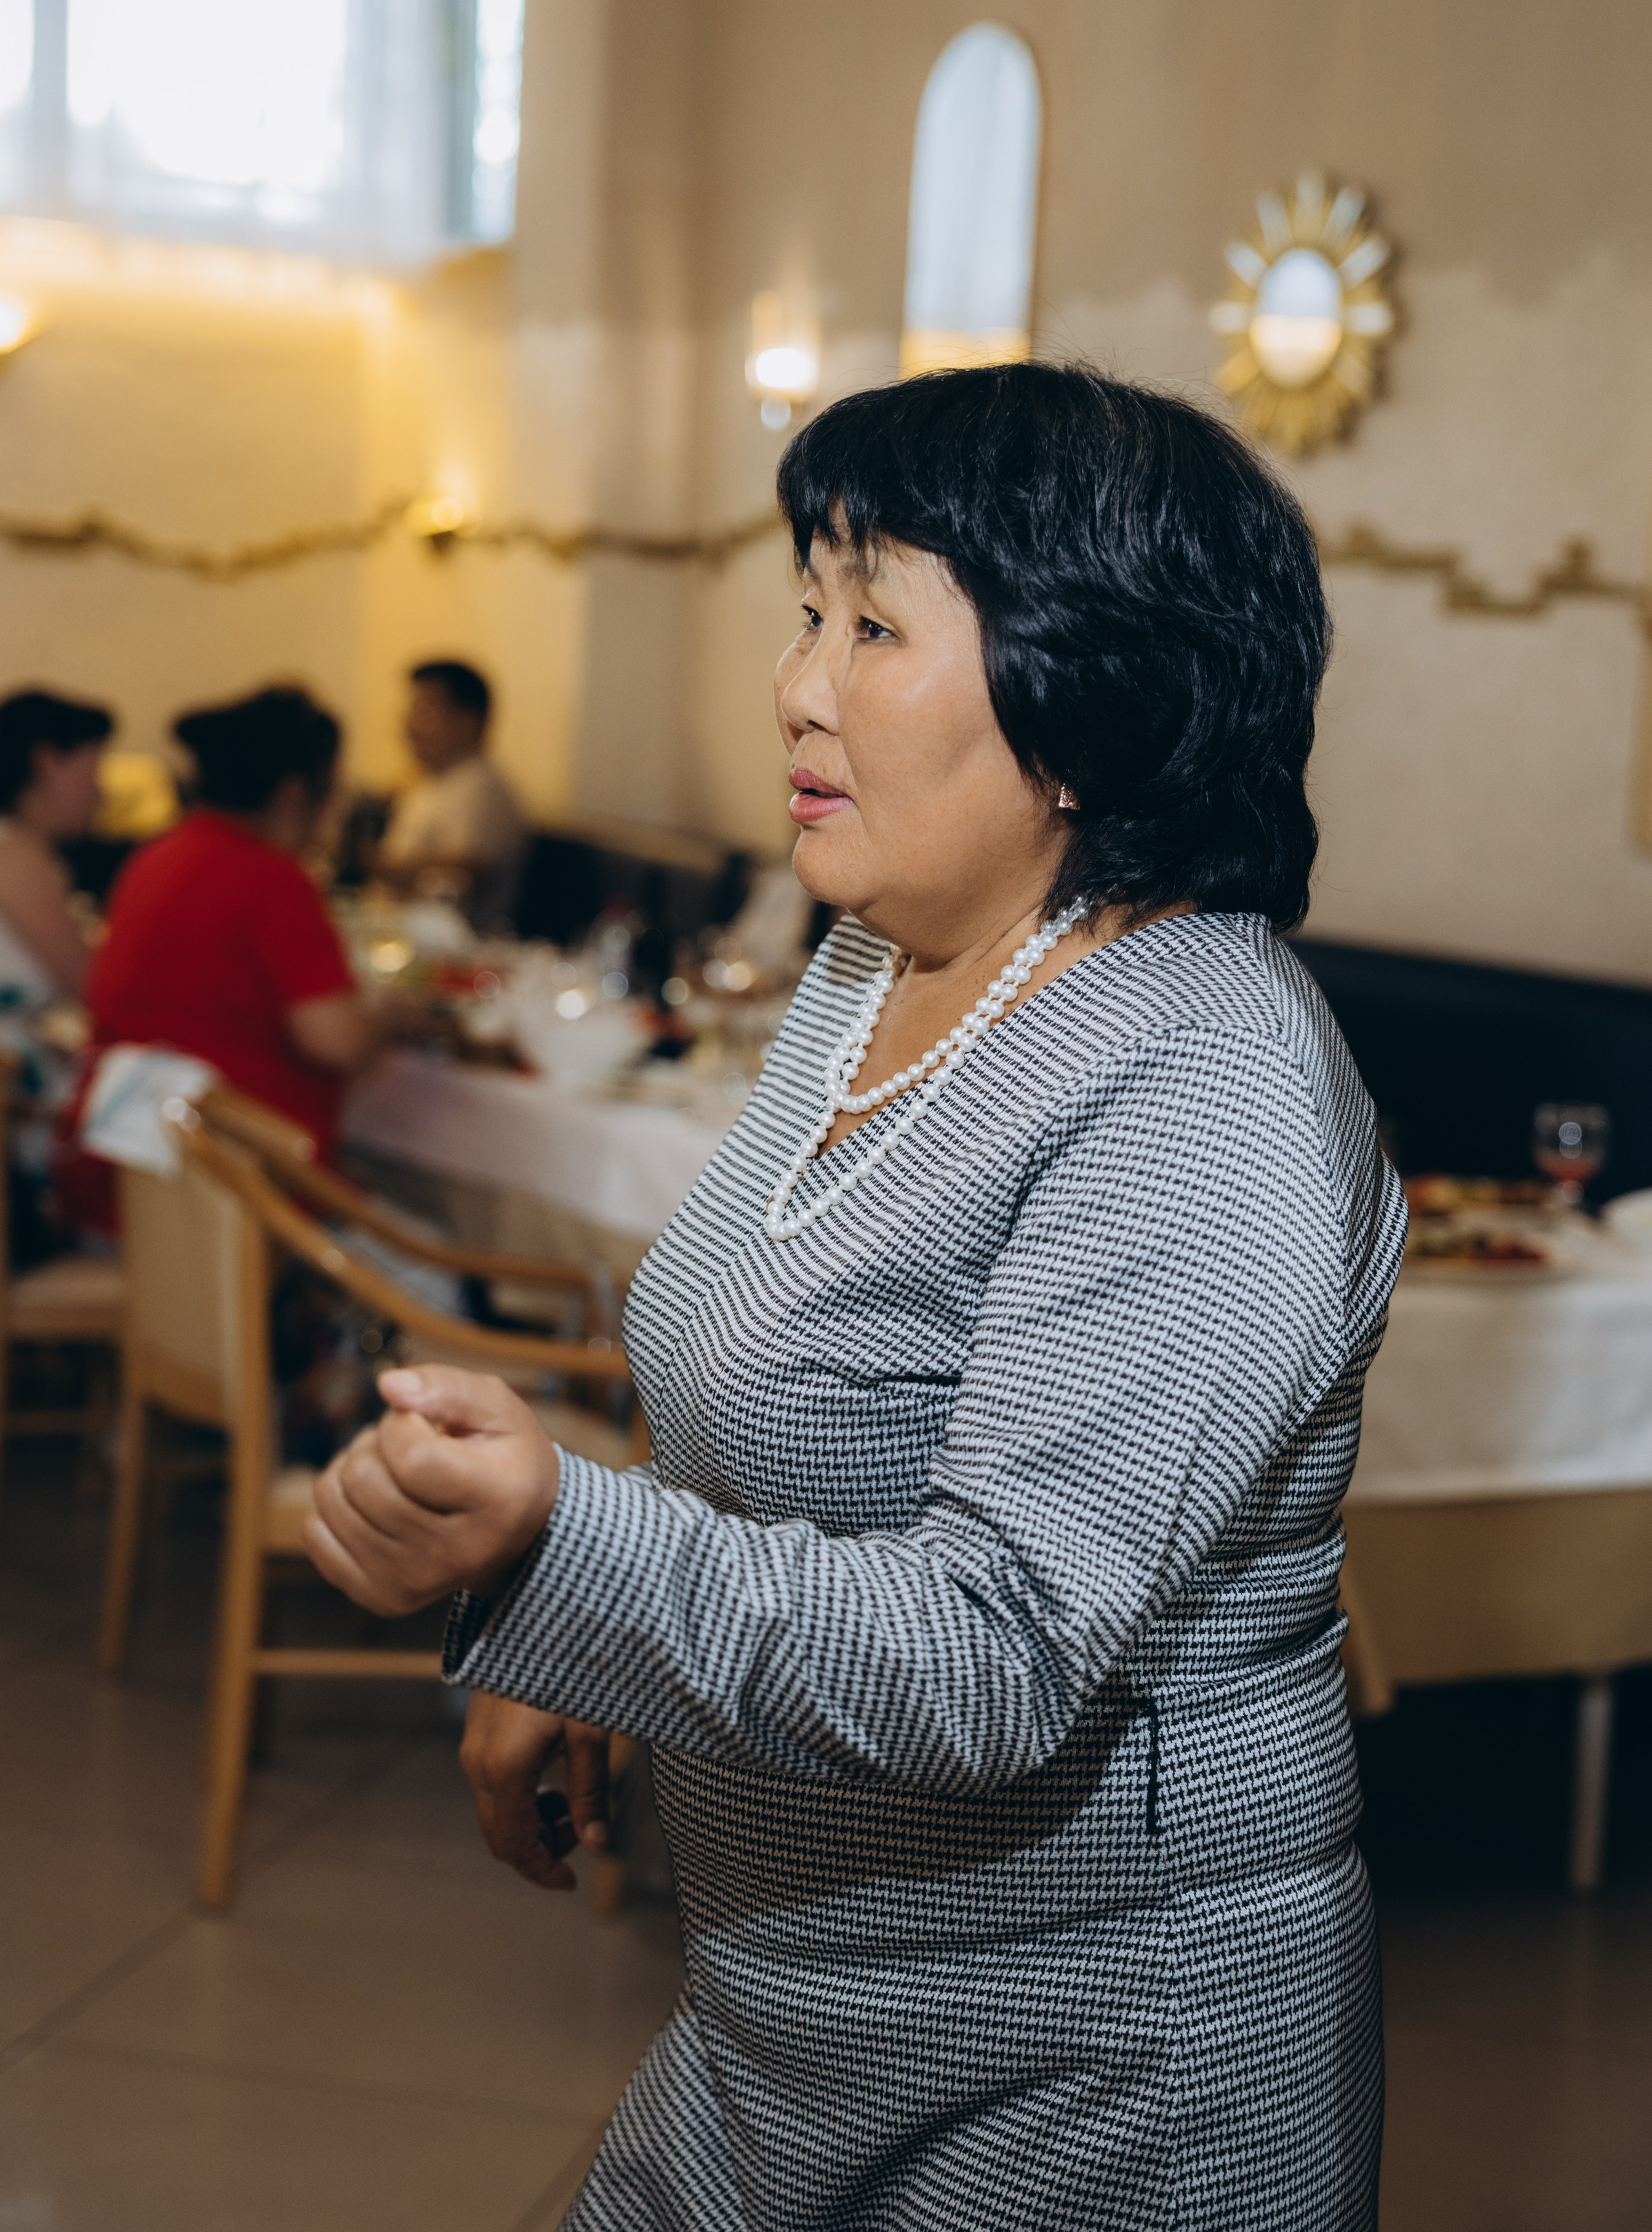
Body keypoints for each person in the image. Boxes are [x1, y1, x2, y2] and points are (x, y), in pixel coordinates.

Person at [305, 366, 1405, 2231]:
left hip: (1094, 2065)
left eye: (875, 624)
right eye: (808, 614)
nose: (798, 684)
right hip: (787, 2000)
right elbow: (787, 1390)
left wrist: (567, 1544)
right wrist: (593, 1644)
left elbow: (994, 1653)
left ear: (1085, 692)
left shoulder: (1209, 1079)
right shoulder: (876, 960)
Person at [87, 686, 373, 1158]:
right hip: (227, 1184)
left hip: (127, 1156)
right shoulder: (270, 878)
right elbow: (336, 1040)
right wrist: (387, 1023)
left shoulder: (156, 856)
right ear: (295, 792)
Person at [0, 690, 114, 1261]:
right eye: (92, 769)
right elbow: (98, 987)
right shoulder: (16, 855)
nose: (102, 791)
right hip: (14, 1120)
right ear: (46, 762)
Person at [375, 659, 524, 932]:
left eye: (425, 710)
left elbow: (468, 871)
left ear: (468, 721)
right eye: (411, 709)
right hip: (402, 934)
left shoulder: (482, 786)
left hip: (455, 948)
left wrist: (373, 865)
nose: (410, 724)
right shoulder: (428, 780)